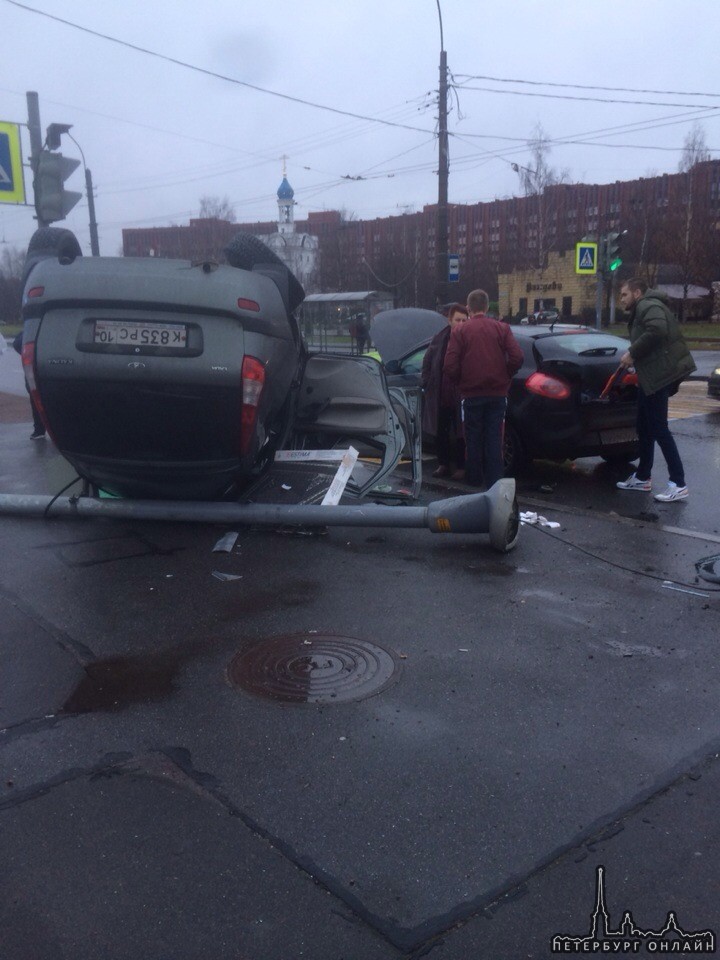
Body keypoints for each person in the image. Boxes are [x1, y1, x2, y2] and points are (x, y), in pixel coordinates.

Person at [616, 278, 696, 502]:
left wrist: (633, 352)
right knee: (644, 426)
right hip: (650, 376)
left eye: (624, 295)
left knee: (659, 429)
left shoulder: (646, 305)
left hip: (658, 376)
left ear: (637, 292)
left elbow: (657, 330)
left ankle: (678, 482)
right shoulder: (645, 305)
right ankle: (643, 477)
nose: (621, 299)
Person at [443, 289, 523, 489]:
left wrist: (462, 382)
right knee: (495, 439)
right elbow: (517, 358)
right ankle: (495, 486)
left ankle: (474, 485)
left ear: (469, 308)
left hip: (471, 395)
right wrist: (505, 375)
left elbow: (450, 366)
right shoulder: (501, 329)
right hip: (497, 393)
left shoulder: (460, 331)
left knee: (473, 440)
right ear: (487, 307)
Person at [421, 303, 468, 479]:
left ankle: (461, 466)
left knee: (461, 433)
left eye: (464, 320)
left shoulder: (468, 339)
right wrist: (427, 382)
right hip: (441, 393)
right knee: (441, 431)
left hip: (461, 395)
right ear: (449, 320)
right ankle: (443, 464)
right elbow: (427, 361)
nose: (461, 323)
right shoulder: (439, 338)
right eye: (458, 320)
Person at [13, 330, 46, 440]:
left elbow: (17, 343)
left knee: (35, 398)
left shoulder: (29, 330)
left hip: (33, 369)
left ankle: (39, 429)